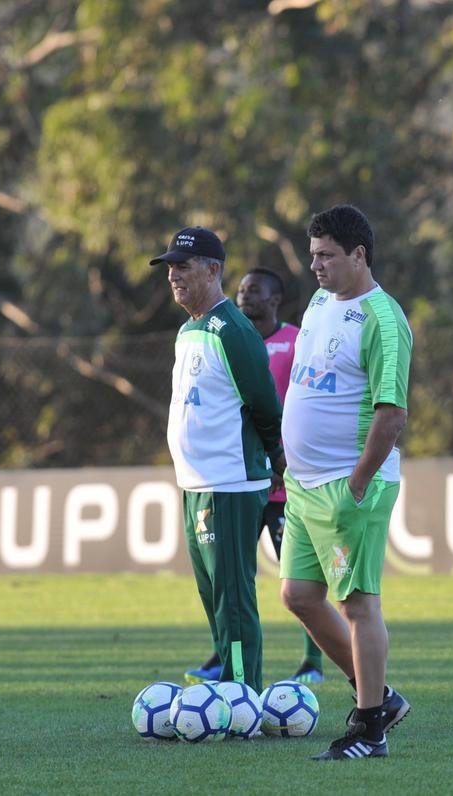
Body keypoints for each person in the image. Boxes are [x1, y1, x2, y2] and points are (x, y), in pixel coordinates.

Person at [279, 204, 413, 761]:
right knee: (300, 596)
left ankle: (369, 730)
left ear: (359, 255)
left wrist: (358, 482)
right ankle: (377, 697)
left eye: (327, 255)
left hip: (347, 486)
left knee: (358, 604)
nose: (316, 266)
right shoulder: (318, 301)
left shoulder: (383, 318)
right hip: (303, 485)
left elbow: (391, 412)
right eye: (312, 255)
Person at [151, 226, 285, 693]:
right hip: (196, 484)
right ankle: (229, 684)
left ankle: (242, 692)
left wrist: (275, 461)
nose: (173, 275)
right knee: (213, 595)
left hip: (229, 482)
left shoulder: (233, 329)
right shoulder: (190, 329)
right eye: (169, 267)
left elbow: (265, 403)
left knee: (232, 596)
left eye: (182, 266)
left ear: (212, 270)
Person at [185, 267, 327, 686]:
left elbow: (303, 401)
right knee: (231, 578)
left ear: (275, 299)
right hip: (243, 476)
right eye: (241, 289)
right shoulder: (227, 336)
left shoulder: (294, 341)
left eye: (254, 291)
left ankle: (312, 662)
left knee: (299, 577)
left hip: (282, 481)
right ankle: (221, 657)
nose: (244, 297)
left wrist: (290, 456)